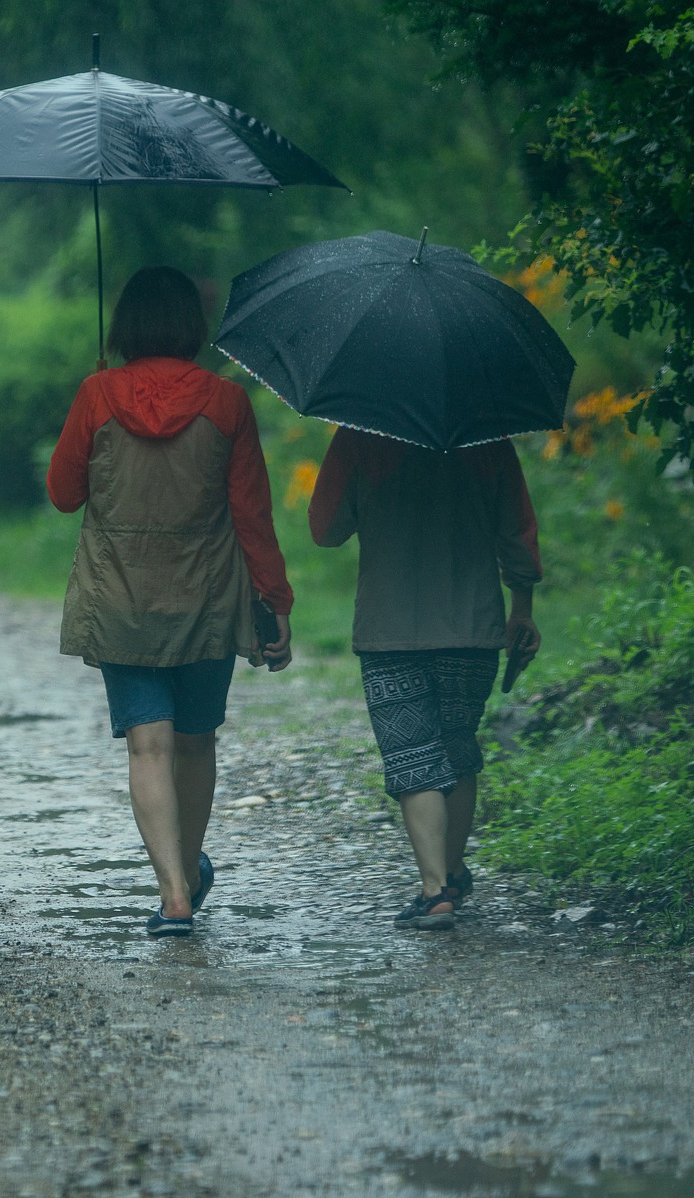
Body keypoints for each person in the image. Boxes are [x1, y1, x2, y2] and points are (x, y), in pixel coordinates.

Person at [47, 266, 294, 939]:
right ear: (192, 326)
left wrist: (96, 400)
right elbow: (251, 514)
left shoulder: (98, 393)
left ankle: (174, 896)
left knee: (146, 748)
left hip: (120, 596)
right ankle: (186, 866)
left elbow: (64, 493)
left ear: (126, 325)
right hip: (206, 599)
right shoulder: (227, 402)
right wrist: (276, 601)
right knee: (193, 742)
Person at [307, 428, 542, 930]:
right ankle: (452, 876)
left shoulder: (362, 435)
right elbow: (517, 530)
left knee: (412, 754)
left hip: (390, 631)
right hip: (473, 626)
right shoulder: (487, 437)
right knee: (456, 746)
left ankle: (435, 891)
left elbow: (324, 529)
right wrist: (521, 607)